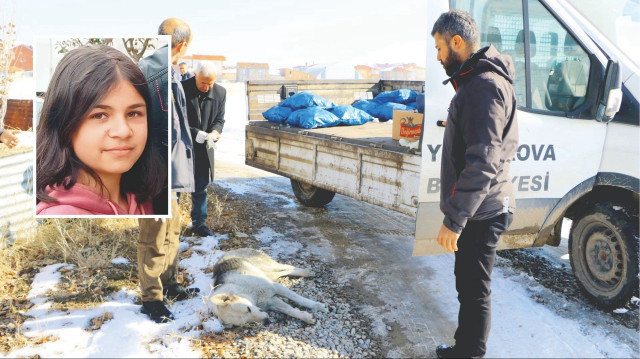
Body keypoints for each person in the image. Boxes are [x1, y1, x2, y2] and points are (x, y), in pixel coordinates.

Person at [431, 10, 518, 359]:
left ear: (457, 42)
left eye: (439, 48)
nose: (437, 57)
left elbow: (482, 162)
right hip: (481, 207)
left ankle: (469, 353)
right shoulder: (478, 82)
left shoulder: (484, 87)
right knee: (468, 285)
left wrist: (454, 220)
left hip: (483, 210)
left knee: (474, 289)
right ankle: (464, 348)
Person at [35, 45, 164, 215]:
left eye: (134, 113)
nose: (123, 131)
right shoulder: (58, 219)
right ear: (63, 122)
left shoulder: (148, 200)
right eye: (100, 115)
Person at [136, 18, 200, 324]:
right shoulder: (149, 72)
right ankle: (151, 298)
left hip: (172, 171)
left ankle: (170, 283)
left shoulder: (172, 71)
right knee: (153, 235)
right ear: (183, 45)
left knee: (172, 230)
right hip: (155, 172)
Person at [181, 61, 226, 237]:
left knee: (200, 185)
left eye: (210, 83)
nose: (207, 87)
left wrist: (215, 131)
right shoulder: (182, 89)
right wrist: (194, 133)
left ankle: (199, 224)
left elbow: (220, 119)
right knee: (176, 187)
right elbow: (176, 119)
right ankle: (171, 225)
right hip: (182, 145)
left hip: (204, 147)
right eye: (203, 83)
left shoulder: (221, 92)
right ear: (195, 76)